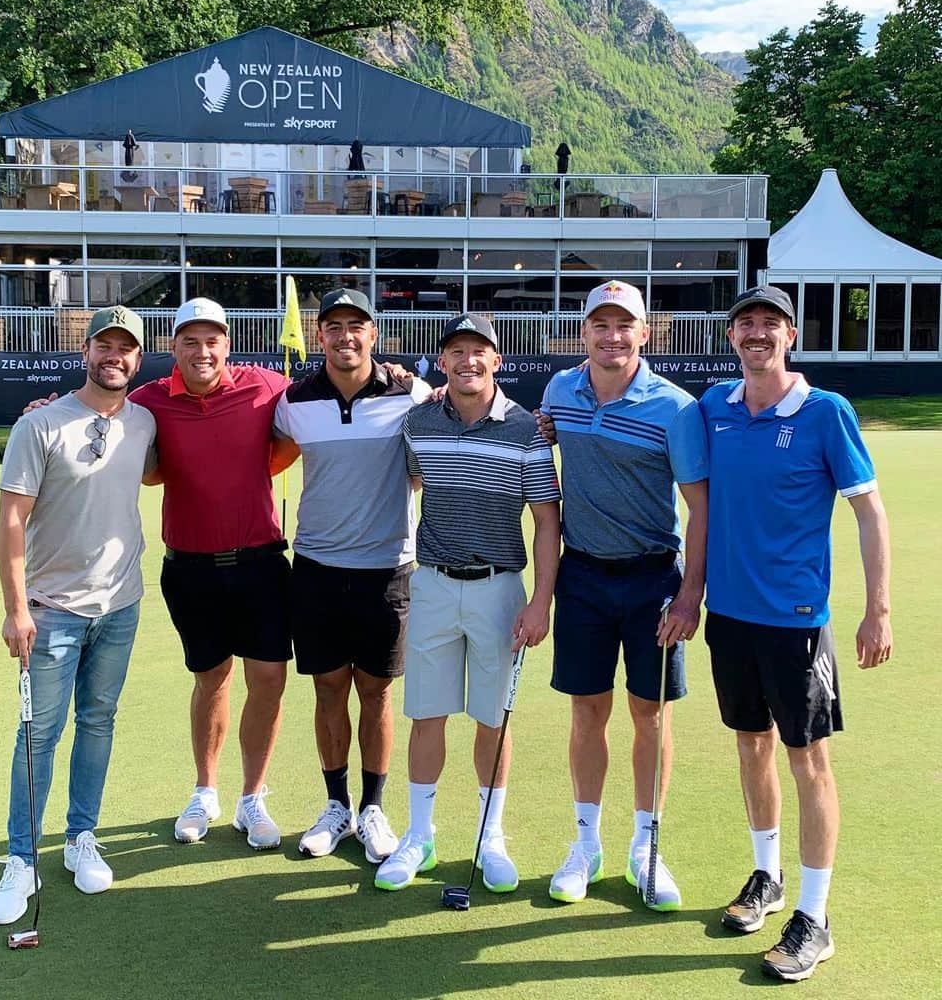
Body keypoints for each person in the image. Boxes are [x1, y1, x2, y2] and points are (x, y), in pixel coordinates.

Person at [700, 286, 892, 981]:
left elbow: (870, 513)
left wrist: (879, 609)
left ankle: (815, 917)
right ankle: (766, 875)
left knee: (808, 763)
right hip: (729, 618)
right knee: (751, 748)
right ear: (731, 338)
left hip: (796, 625)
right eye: (745, 324)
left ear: (790, 336)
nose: (757, 334)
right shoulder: (715, 408)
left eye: (769, 325)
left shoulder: (825, 412)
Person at [374, 314, 561, 893]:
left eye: (479, 352)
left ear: (497, 361)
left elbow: (548, 521)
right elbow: (405, 474)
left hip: (500, 588)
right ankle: (420, 836)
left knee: (491, 718)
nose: (468, 362)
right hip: (430, 584)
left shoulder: (527, 430)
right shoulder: (419, 419)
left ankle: (490, 836)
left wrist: (540, 602)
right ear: (443, 362)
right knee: (426, 713)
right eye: (456, 352)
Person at [539, 280, 708, 911]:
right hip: (582, 575)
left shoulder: (675, 408)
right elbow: (545, 437)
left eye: (624, 325)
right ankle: (587, 844)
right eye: (599, 325)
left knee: (650, 714)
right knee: (587, 713)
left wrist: (691, 594)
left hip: (652, 579)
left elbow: (699, 509)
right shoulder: (561, 390)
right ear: (584, 332)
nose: (612, 336)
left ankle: (647, 844)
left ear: (646, 332)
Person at [0, 307, 157, 926]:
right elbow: (11, 519)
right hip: (50, 609)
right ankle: (21, 856)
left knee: (99, 722)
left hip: (121, 605)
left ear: (138, 358)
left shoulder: (143, 421)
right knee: (36, 734)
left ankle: (82, 836)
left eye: (126, 348)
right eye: (104, 345)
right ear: (85, 351)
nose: (115, 356)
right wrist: (14, 610)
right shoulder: (41, 424)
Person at [272, 288, 430, 865]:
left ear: (373, 333)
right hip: (315, 570)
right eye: (334, 326)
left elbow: (430, 457)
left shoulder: (409, 393)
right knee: (328, 688)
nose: (346, 336)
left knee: (377, 692)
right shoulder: (294, 402)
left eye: (356, 325)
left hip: (387, 571)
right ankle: (336, 806)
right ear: (320, 337)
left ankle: (373, 808)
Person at [129, 297, 293, 850]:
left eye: (213, 340)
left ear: (228, 344)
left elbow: (334, 392)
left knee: (269, 680)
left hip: (262, 563)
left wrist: (400, 377)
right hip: (190, 569)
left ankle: (252, 798)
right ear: (173, 347)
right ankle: (206, 790)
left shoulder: (266, 386)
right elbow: (94, 417)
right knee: (211, 679)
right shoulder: (147, 401)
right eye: (191, 341)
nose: (203, 351)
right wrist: (44, 407)